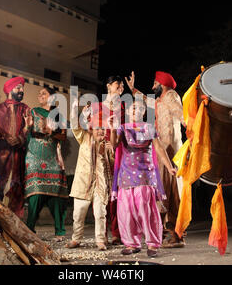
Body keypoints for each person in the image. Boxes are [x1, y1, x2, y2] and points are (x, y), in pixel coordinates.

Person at [109, 99, 178, 257]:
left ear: (144, 112)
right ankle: (132, 243)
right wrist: (112, 129)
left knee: (145, 209)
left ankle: (152, 243)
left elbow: (159, 148)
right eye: (133, 108)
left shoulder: (149, 128)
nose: (135, 110)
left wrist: (169, 167)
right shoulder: (122, 128)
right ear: (127, 112)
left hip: (145, 174)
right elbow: (114, 145)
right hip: (126, 175)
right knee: (126, 211)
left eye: (139, 108)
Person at [125, 70, 186, 247]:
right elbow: (147, 100)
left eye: (154, 84)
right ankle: (167, 232)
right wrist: (133, 89)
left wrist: (191, 127)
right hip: (162, 152)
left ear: (162, 85)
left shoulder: (171, 96)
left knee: (172, 193)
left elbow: (181, 114)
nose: (152, 87)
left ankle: (176, 234)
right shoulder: (160, 100)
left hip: (172, 153)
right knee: (163, 193)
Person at [66, 103, 115, 251]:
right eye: (98, 128)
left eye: (103, 129)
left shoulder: (107, 144)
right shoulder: (84, 137)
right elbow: (75, 125)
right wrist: (76, 110)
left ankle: (100, 240)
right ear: (92, 129)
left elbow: (112, 166)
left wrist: (111, 152)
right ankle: (76, 239)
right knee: (78, 214)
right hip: (83, 183)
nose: (101, 131)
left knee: (100, 213)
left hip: (100, 184)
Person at [0, 76, 31, 218]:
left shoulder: (26, 109)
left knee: (16, 189)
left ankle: (12, 226)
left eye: (22, 88)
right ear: (10, 89)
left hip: (17, 156)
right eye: (18, 87)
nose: (21, 90)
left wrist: (21, 138)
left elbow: (30, 128)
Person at [24, 86, 69, 241]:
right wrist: (27, 127)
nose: (40, 95)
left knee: (55, 194)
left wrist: (52, 132)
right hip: (34, 154)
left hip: (52, 155)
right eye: (39, 93)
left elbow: (64, 136)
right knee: (35, 192)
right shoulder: (33, 111)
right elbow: (25, 132)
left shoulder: (58, 115)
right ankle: (29, 228)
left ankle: (60, 231)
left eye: (44, 93)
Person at [90, 75, 124, 245]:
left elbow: (126, 131)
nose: (121, 87)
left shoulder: (124, 108)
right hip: (101, 154)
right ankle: (101, 234)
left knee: (116, 194)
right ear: (109, 86)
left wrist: (117, 144)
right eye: (118, 84)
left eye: (122, 86)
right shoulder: (97, 107)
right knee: (102, 193)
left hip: (118, 153)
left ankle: (116, 232)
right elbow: (93, 132)